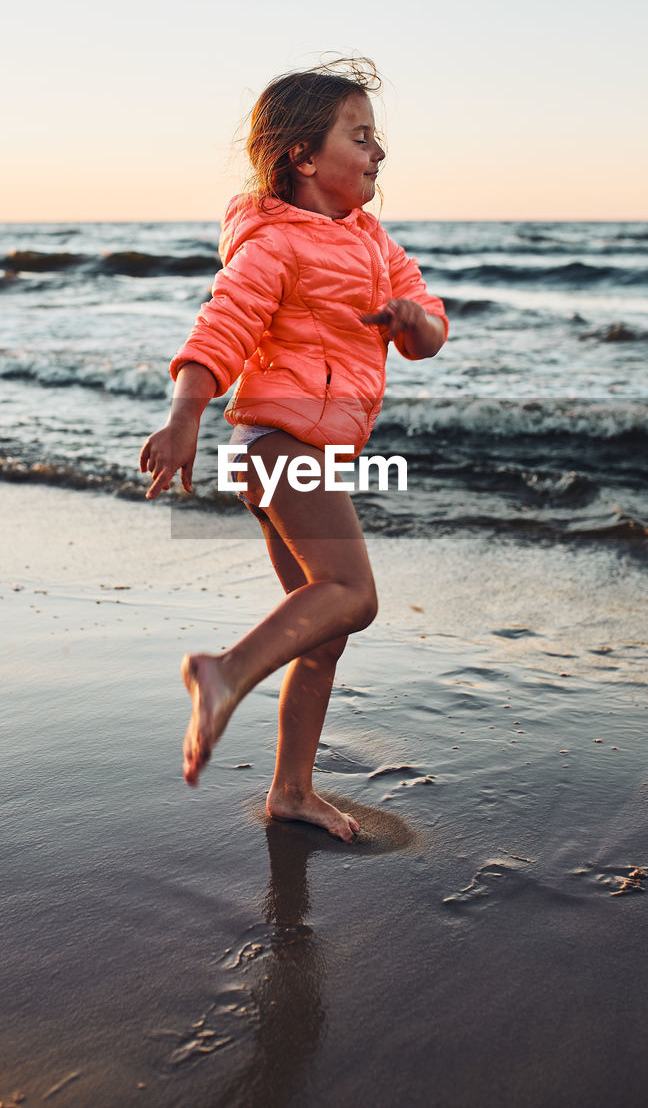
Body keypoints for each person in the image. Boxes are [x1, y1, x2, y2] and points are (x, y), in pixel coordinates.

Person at [139, 58, 448, 841]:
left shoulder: (374, 243)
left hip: (286, 451)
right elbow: (225, 323)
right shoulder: (273, 244)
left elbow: (430, 320)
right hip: (277, 444)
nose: (379, 153)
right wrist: (185, 414)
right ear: (303, 157)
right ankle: (225, 673)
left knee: (324, 627)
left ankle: (291, 791)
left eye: (378, 139)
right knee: (353, 593)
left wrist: (416, 323)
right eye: (361, 136)